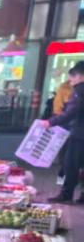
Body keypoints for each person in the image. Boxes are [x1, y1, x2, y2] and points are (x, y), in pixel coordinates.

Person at [42, 61, 84, 202]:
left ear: (80, 76)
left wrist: (51, 122)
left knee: (70, 164)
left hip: (79, 134)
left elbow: (72, 111)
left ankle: (66, 195)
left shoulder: (79, 90)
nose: (71, 81)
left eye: (73, 77)